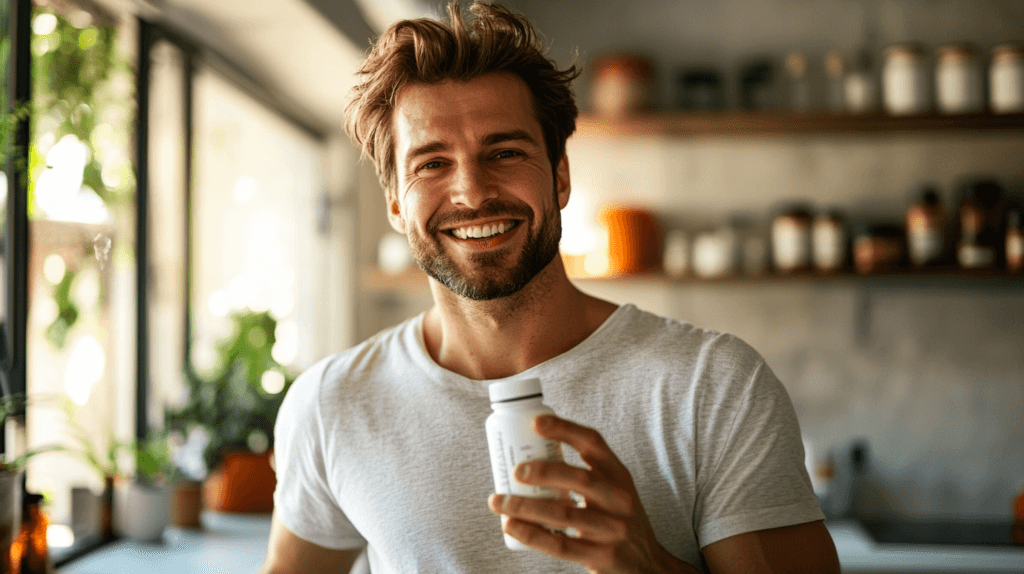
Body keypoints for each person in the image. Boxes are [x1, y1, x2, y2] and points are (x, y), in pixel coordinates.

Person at [261, 2, 841, 573]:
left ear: (560, 176)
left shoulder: (713, 387)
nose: (471, 192)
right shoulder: (332, 405)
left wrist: (648, 567)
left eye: (505, 152)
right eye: (431, 164)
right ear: (395, 203)